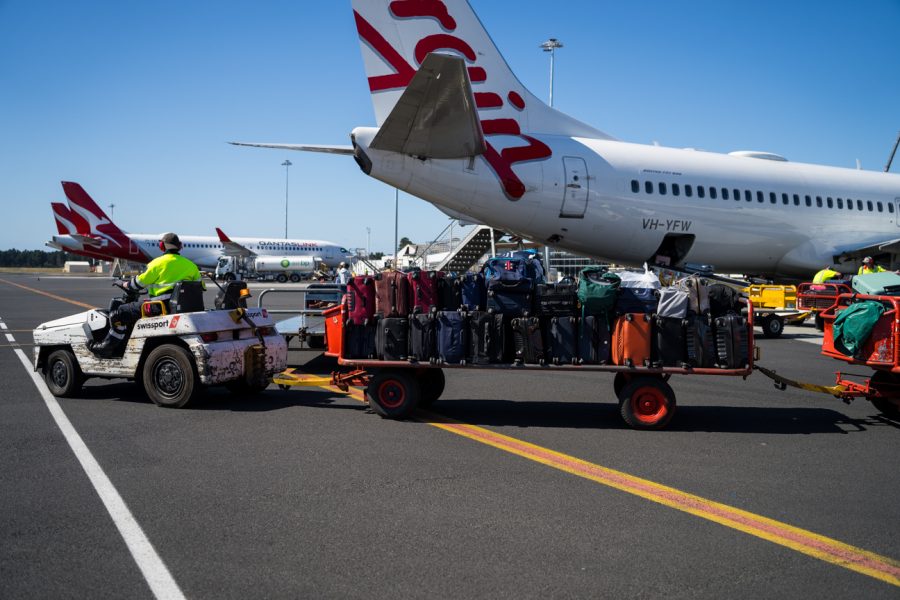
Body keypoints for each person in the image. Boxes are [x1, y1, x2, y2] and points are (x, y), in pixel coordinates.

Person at [91, 232, 202, 358]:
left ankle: (108, 347)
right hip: (183, 308)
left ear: (162, 246)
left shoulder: (157, 263)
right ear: (179, 246)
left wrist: (125, 284)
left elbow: (137, 284)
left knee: (118, 313)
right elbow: (201, 287)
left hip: (159, 307)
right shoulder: (191, 266)